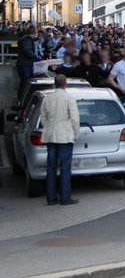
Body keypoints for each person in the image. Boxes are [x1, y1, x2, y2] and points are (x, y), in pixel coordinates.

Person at [40, 74, 80, 206]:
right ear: (65, 84)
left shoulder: (47, 98)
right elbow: (75, 119)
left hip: (51, 136)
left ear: (55, 84)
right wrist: (76, 134)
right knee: (65, 168)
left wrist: (48, 127)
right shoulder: (69, 98)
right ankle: (65, 198)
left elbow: (43, 117)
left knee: (51, 168)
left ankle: (51, 198)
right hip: (65, 136)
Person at [16, 25, 38, 97]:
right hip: (25, 64)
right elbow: (27, 50)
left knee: (24, 83)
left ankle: (21, 98)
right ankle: (24, 99)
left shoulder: (25, 39)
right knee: (26, 83)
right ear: (34, 31)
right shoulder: (28, 39)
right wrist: (35, 56)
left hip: (22, 64)